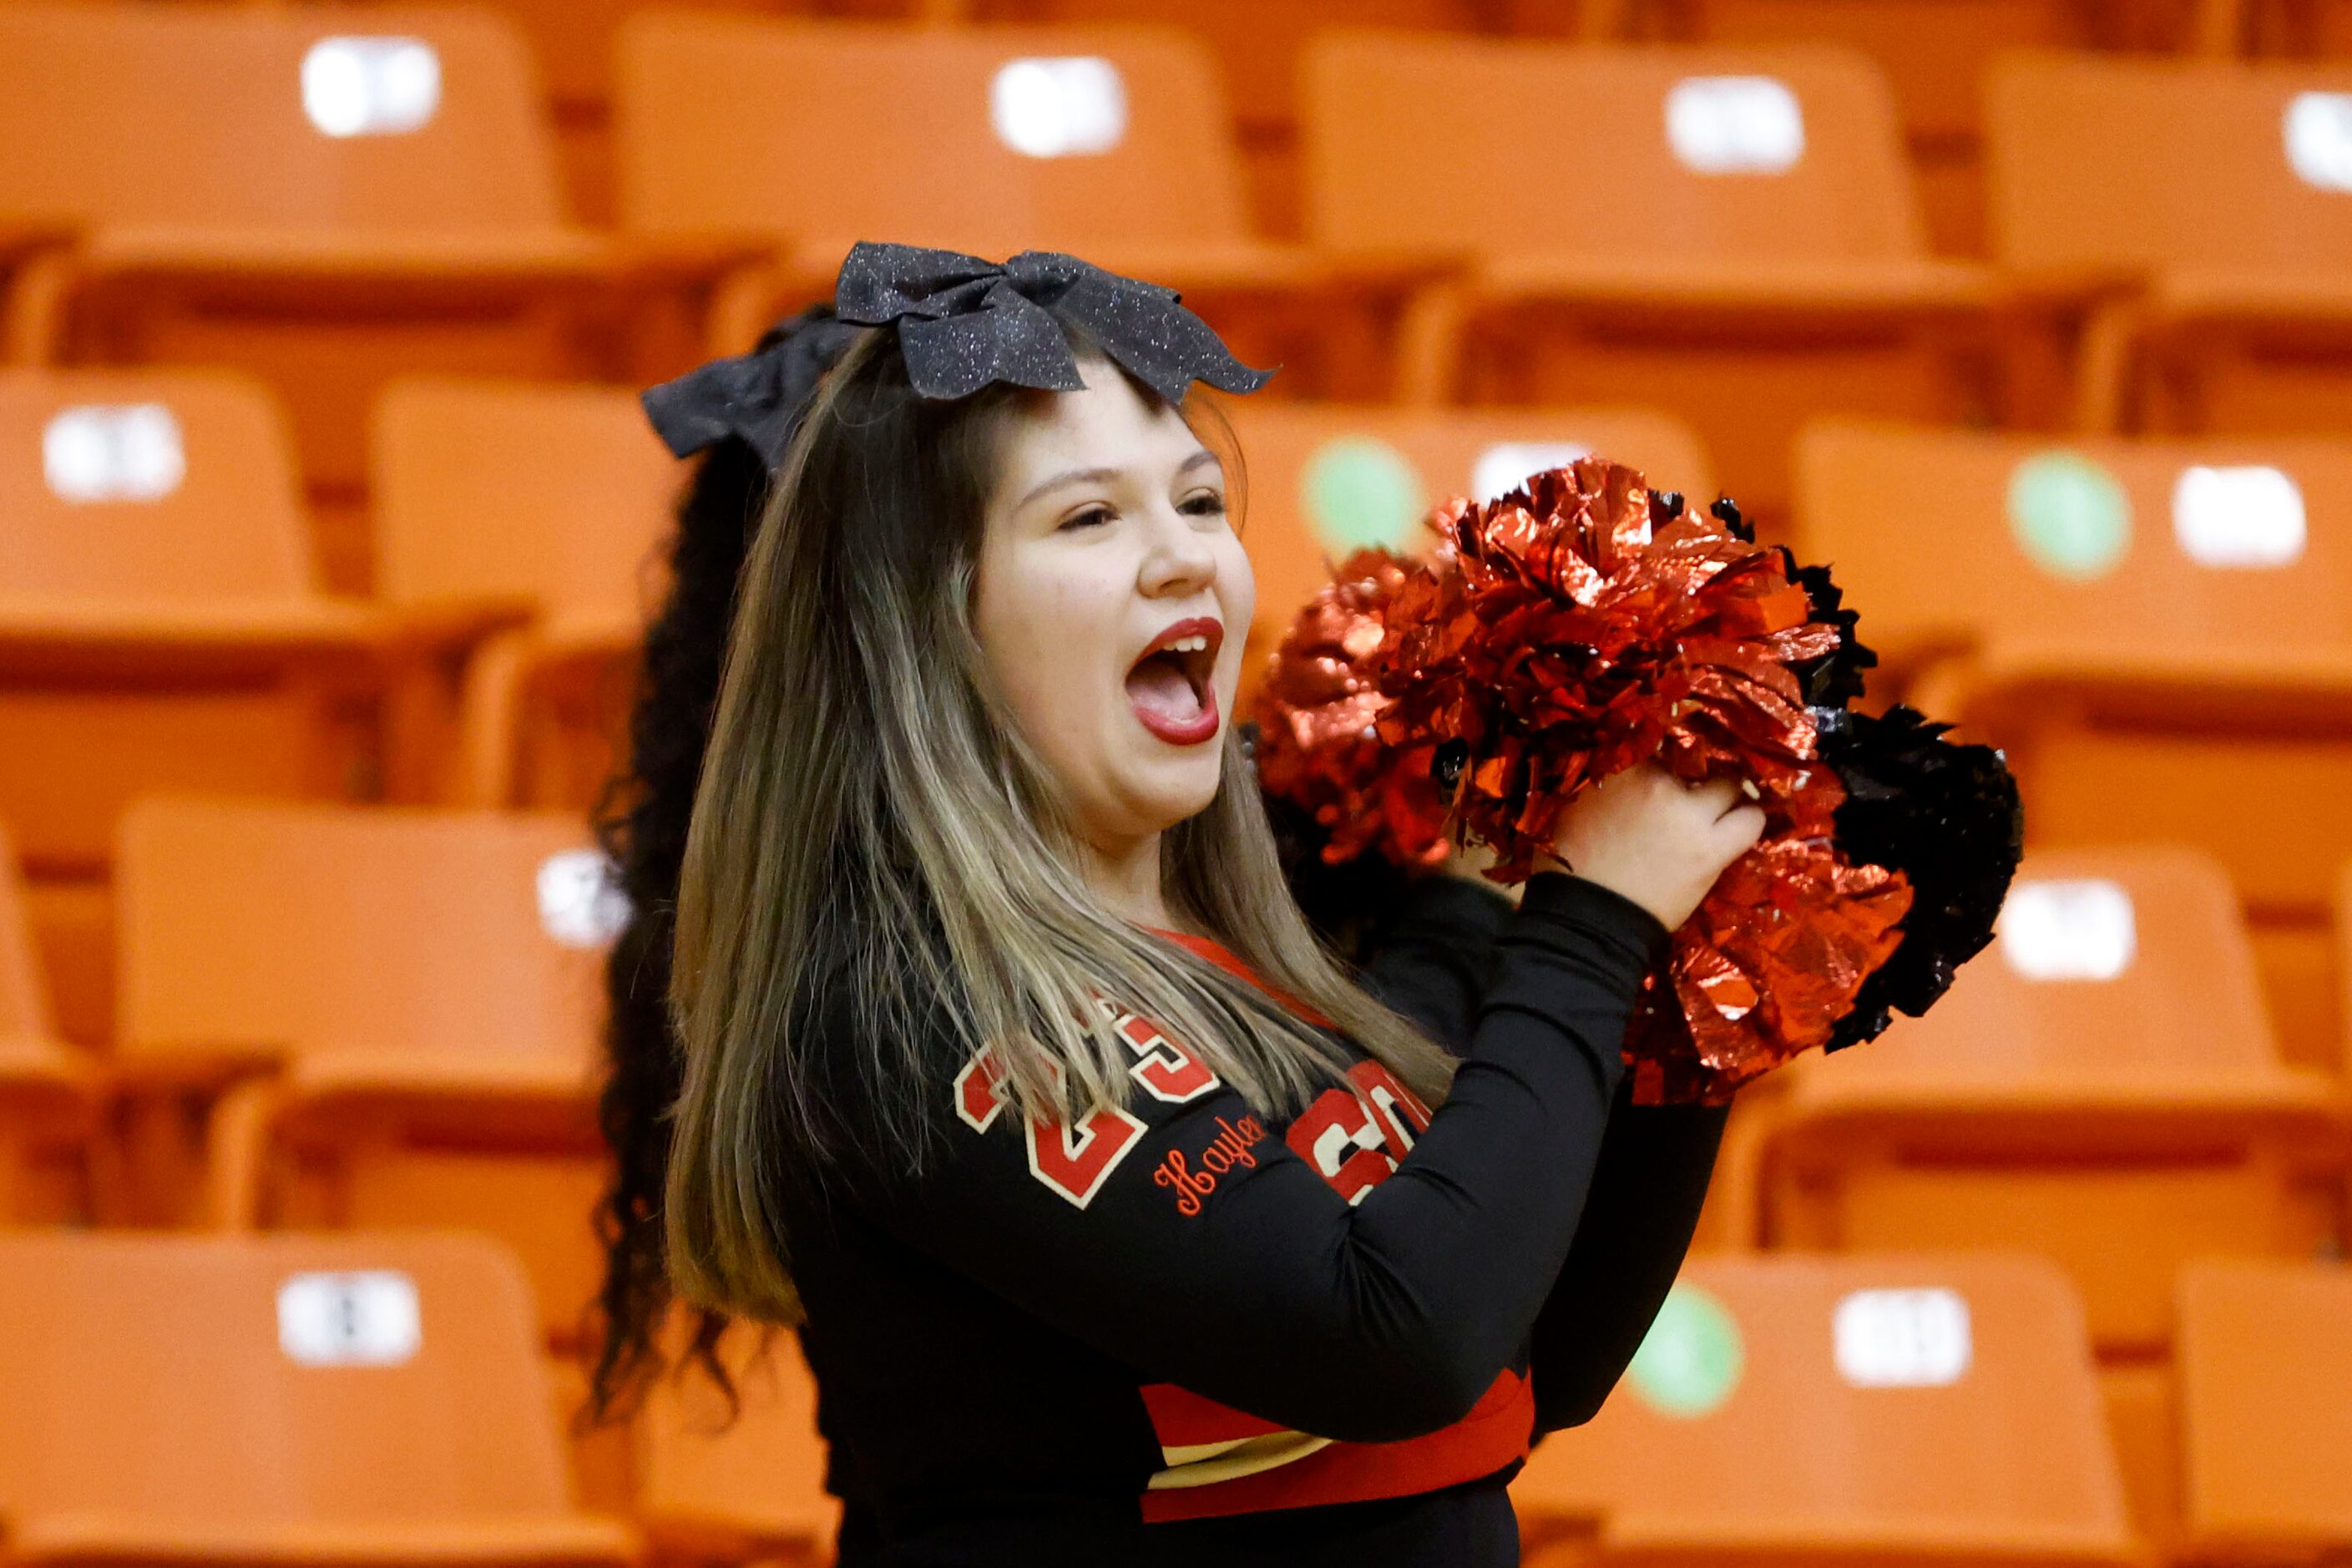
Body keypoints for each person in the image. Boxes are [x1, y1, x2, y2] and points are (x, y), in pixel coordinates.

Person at [648, 242, 1763, 1566]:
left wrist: (1697, 987)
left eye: (1193, 500)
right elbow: (1397, 1341)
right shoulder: (907, 1008)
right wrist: (1590, 923)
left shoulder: (1249, 957)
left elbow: (1526, 1357)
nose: (1182, 557)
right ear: (926, 625)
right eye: (1088, 518)